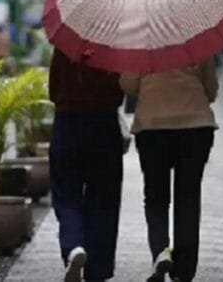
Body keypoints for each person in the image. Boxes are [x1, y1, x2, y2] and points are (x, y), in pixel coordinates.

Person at [121, 59, 218, 282]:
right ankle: (183, 271)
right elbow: (211, 89)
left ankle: (160, 252)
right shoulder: (197, 34)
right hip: (195, 127)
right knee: (188, 198)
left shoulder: (142, 36)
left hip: (153, 127)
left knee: (156, 197)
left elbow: (128, 83)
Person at [48, 49, 125, 282]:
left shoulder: (65, 47)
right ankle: (98, 270)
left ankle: (73, 246)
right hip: (104, 126)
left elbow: (53, 91)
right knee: (104, 200)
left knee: (66, 194)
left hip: (67, 123)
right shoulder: (112, 47)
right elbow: (120, 91)